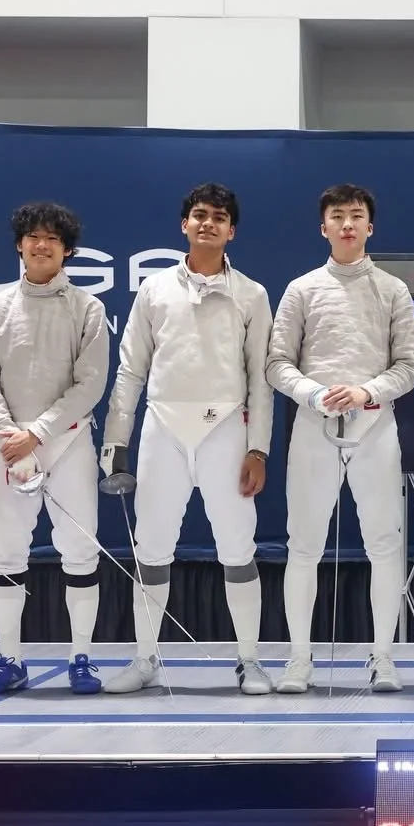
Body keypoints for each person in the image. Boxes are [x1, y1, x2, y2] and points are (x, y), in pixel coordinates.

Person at [100, 183, 275, 695]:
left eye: (219, 217)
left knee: (237, 547)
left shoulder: (252, 293)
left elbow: (260, 380)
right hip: (163, 427)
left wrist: (258, 449)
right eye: (199, 215)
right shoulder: (154, 290)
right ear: (185, 224)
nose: (208, 224)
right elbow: (130, 371)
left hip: (226, 428)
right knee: (151, 547)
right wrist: (116, 445)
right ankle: (145, 658)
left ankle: (249, 661)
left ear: (231, 230)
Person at [267, 184, 414, 694]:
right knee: (303, 546)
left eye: (357, 216)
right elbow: (276, 364)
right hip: (314, 428)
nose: (348, 224)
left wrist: (365, 392)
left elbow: (408, 365)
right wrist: (313, 395)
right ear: (324, 227)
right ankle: (298, 660)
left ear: (370, 227)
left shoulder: (393, 289)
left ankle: (382, 657)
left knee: (384, 545)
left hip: (376, 428)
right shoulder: (302, 288)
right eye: (339, 216)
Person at [0, 202, 112, 695]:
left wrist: (39, 433)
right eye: (33, 235)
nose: (42, 243)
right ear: (19, 244)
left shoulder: (87, 308)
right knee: (6, 551)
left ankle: (81, 659)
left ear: (67, 250)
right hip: (7, 447)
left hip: (69, 444)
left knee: (79, 550)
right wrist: (10, 435)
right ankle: (10, 660)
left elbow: (89, 384)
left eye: (53, 237)